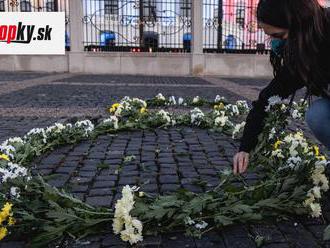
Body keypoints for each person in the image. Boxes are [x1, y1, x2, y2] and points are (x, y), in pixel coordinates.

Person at [233, 0, 330, 175]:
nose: (275, 43)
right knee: (318, 114)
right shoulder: (304, 52)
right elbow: (268, 98)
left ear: (297, 22)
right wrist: (245, 148)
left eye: (279, 35)